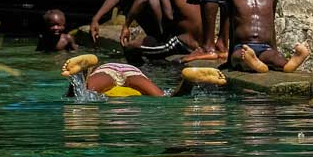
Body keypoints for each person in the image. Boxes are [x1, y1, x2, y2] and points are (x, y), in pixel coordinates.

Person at [221, 0, 311, 73]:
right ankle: (253, 62)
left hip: (265, 48)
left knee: (276, 59)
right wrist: (229, 58)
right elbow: (229, 26)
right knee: (239, 57)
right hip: (242, 47)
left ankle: (289, 64)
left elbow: (271, 25)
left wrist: (275, 51)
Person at [61, 54, 227, 97]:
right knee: (164, 97)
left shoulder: (102, 69)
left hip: (107, 70)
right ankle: (188, 80)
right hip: (132, 71)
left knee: (81, 93)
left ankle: (82, 71)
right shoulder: (133, 70)